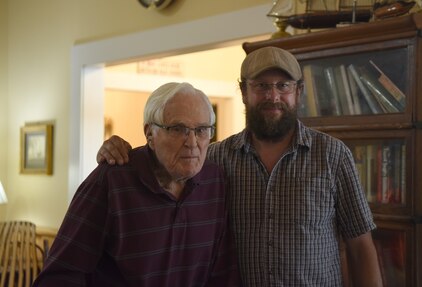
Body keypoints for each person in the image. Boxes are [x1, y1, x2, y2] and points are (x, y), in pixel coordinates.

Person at [96, 47, 383, 286]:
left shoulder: (333, 156)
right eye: (261, 86)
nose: (273, 96)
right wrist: (121, 150)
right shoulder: (214, 160)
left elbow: (360, 247)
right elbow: (166, 164)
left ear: (299, 92)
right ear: (244, 92)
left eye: (283, 86)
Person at [33, 82, 241, 287]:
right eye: (178, 129)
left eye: (202, 130)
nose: (192, 142)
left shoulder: (215, 182)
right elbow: (60, 276)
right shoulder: (111, 182)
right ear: (150, 133)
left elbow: (223, 275)